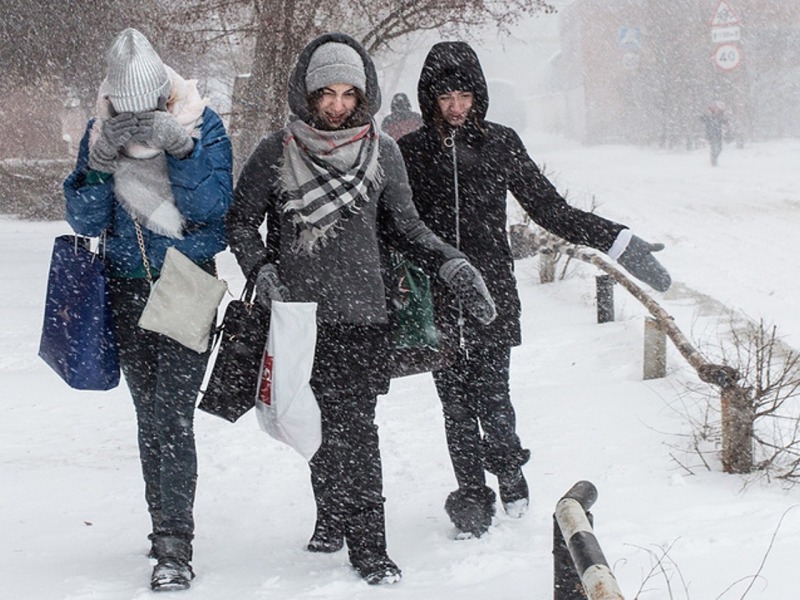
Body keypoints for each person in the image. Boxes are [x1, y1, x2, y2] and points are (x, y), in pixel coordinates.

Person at [225, 32, 496, 585]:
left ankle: (370, 545)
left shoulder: (383, 151)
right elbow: (239, 222)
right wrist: (262, 268)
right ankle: (330, 517)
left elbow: (407, 227)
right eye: (327, 92)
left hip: (364, 315)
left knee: (358, 428)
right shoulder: (276, 151)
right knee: (313, 422)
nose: (337, 105)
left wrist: (453, 264)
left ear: (364, 94)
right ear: (307, 92)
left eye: (349, 93)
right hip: (296, 316)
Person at [397, 41, 671, 539]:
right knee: (454, 405)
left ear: (478, 95)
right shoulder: (411, 152)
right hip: (437, 295)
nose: (456, 106)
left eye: (464, 95)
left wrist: (619, 240)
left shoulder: (500, 143)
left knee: (494, 395)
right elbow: (396, 223)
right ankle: (471, 494)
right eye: (445, 98)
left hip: (492, 292)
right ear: (429, 99)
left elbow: (550, 208)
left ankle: (507, 467)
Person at [63, 28, 233, 591]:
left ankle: (175, 545)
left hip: (186, 283)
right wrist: (96, 166)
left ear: (163, 95)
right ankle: (163, 525)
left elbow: (214, 209)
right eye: (125, 110)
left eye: (147, 109)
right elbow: (87, 222)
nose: (136, 122)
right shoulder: (99, 132)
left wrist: (181, 149)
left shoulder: (200, 123)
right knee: (149, 417)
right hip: (125, 286)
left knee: (172, 416)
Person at [700, 100, 729, 166]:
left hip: (718, 134)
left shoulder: (719, 117)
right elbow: (702, 119)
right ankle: (713, 160)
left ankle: (714, 158)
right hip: (711, 134)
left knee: (719, 148)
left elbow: (725, 121)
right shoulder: (709, 117)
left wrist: (727, 126)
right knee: (713, 148)